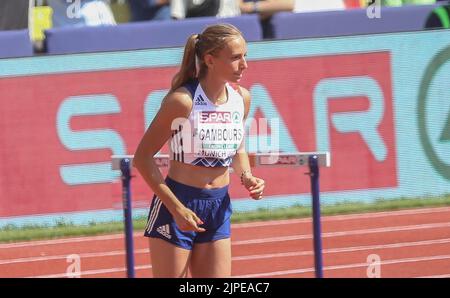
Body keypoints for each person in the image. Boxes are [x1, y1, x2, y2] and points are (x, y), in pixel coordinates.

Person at [133, 23, 265, 278]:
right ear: (209, 60)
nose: (245, 64)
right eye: (236, 57)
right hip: (178, 202)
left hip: (218, 205)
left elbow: (236, 146)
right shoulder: (183, 101)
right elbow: (142, 157)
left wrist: (247, 176)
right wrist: (175, 208)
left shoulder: (242, 99)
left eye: (245, 56)